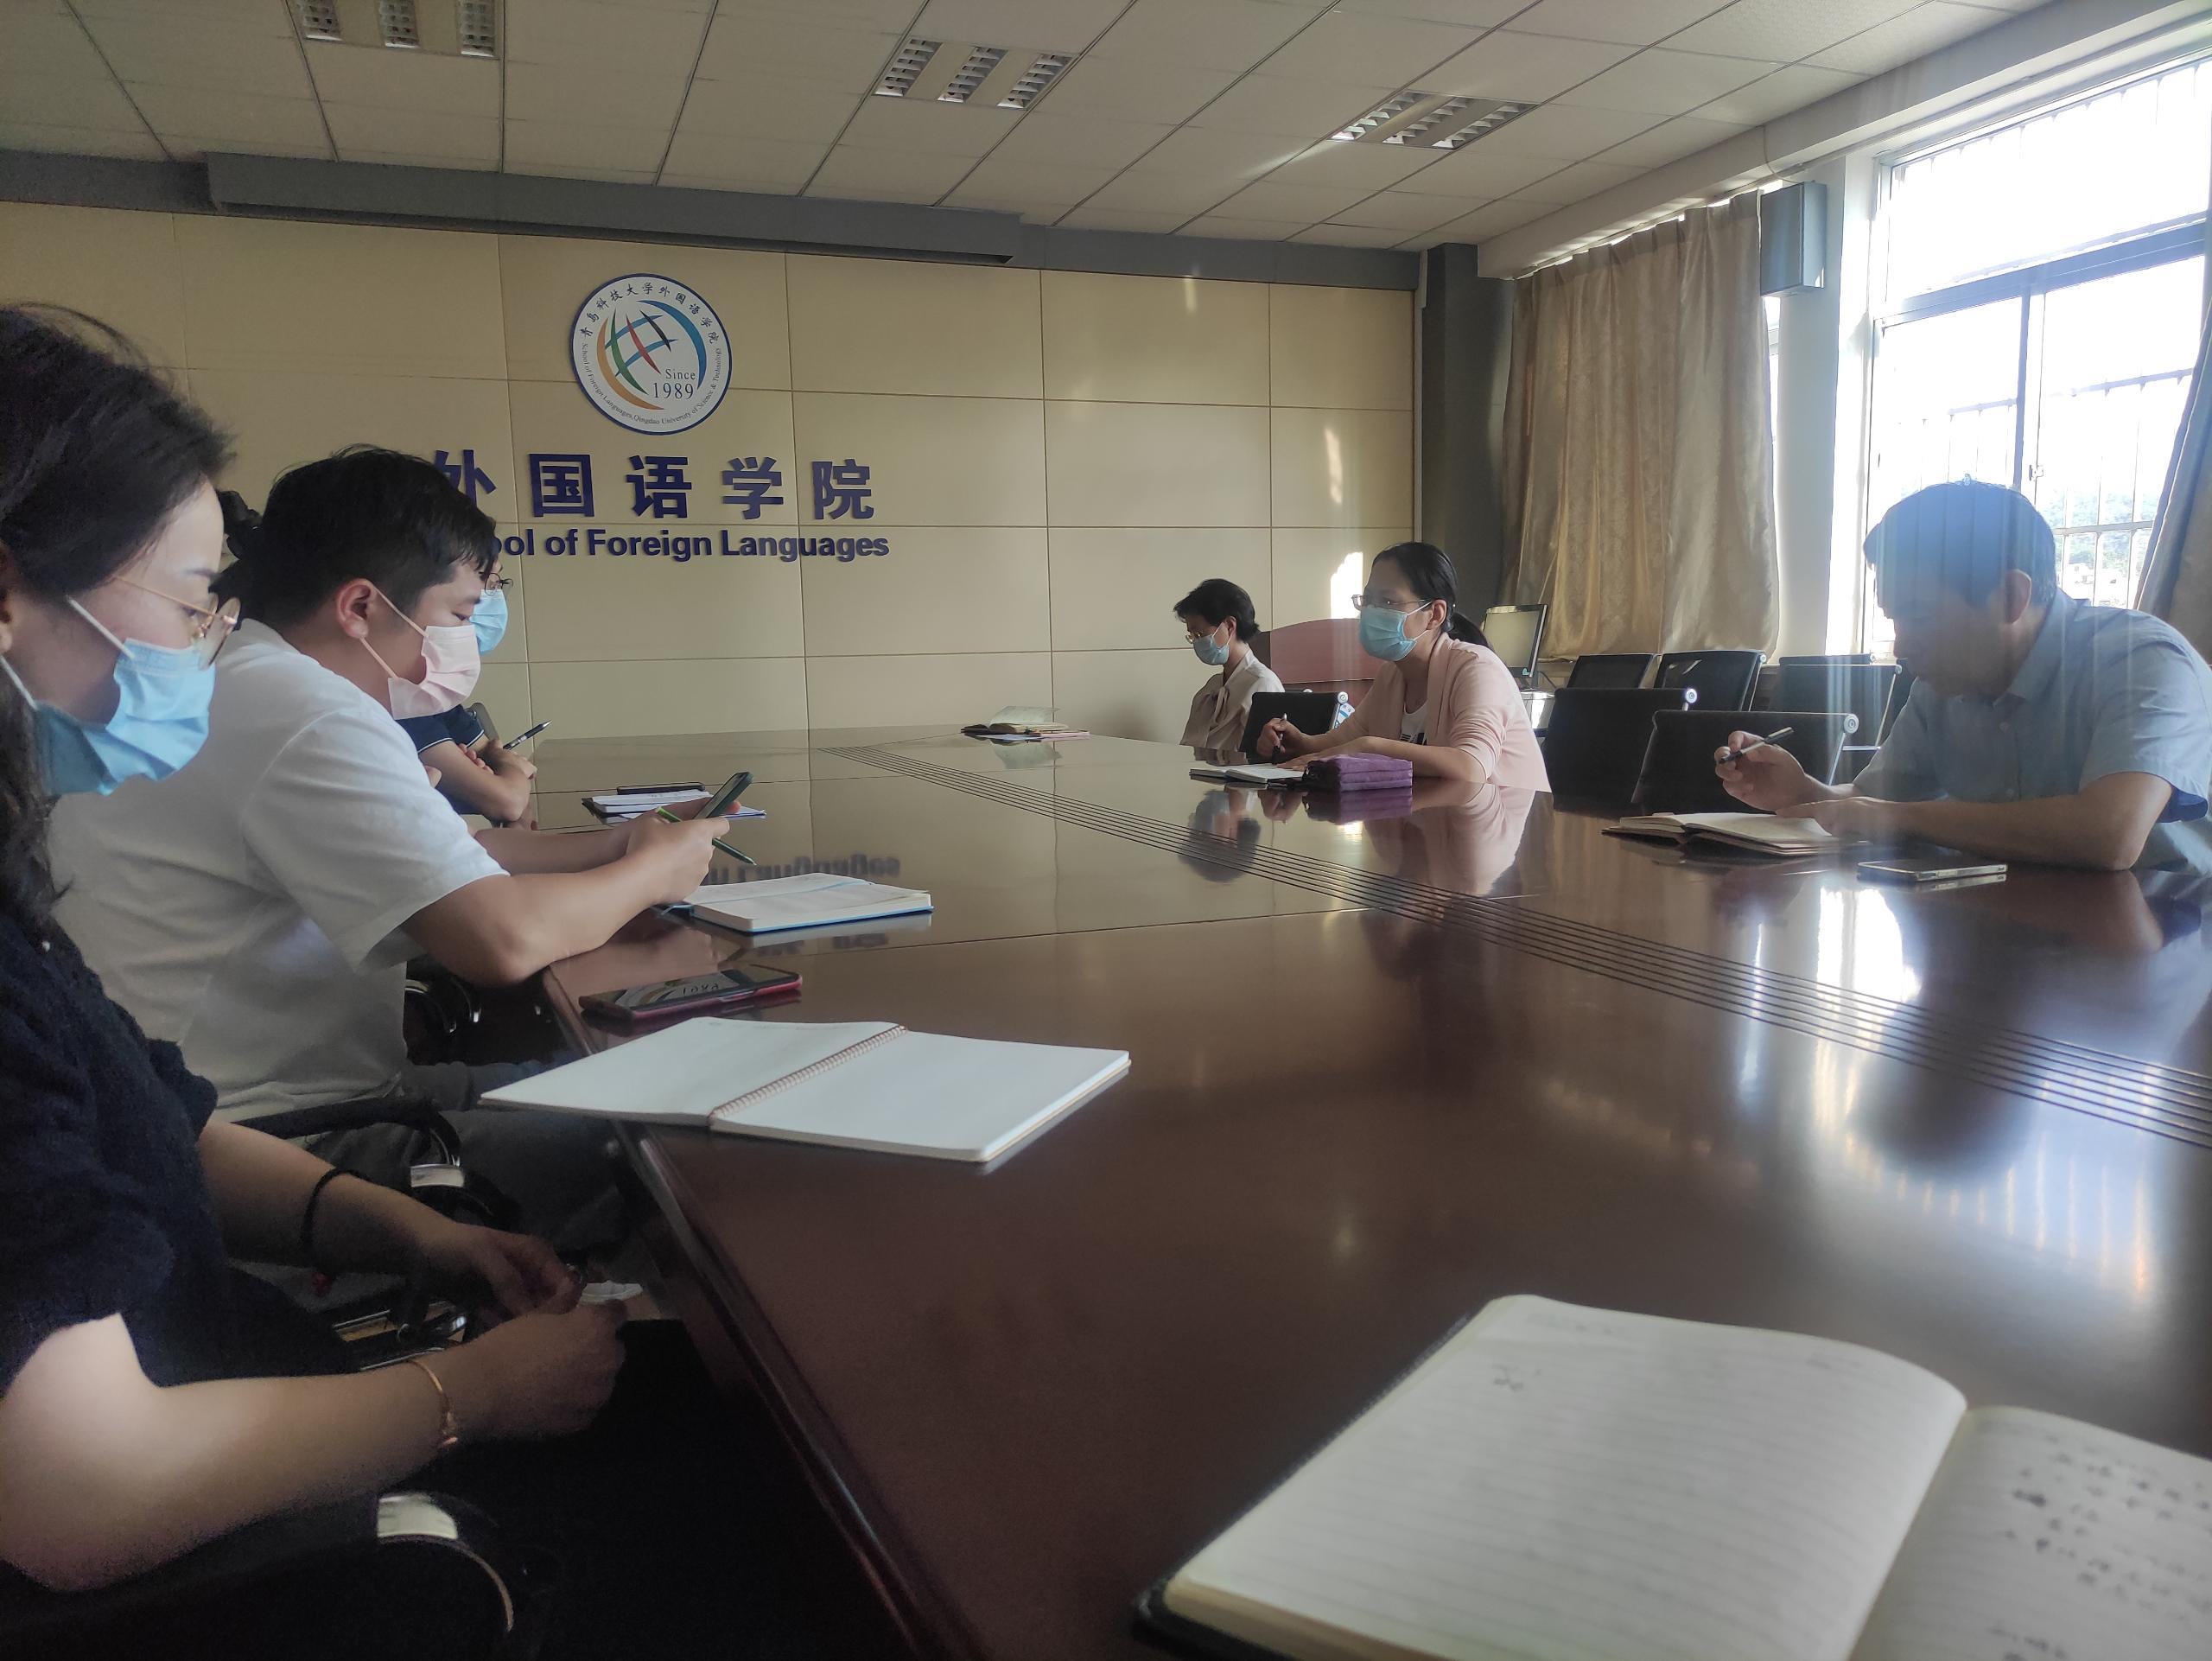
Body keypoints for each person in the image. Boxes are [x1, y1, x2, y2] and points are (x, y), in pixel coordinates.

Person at [51, 446, 728, 1245]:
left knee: (618, 1088)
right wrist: (653, 874)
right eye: (458, 615)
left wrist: (620, 845)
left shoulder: (252, 675)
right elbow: (500, 940)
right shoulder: (302, 709)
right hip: (261, 1150)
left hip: (276, 1103)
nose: (462, 642)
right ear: (362, 606)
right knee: (674, 1156)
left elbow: (454, 855)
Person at [1717, 480, 2212, 872]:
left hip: (2174, 935)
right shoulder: (1943, 683)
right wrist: (1805, 792)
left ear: (2011, 597)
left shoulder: (2142, 661)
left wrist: (1897, 818)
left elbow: (2109, 834)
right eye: (1894, 618)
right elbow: (1876, 802)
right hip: (2010, 924)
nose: (1903, 647)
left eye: (1919, 616)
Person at [1256, 541, 1550, 789]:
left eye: (1387, 602)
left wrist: (1370, 748)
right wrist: (1300, 743)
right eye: (1368, 600)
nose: (1371, 611)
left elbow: (1471, 767)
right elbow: (1344, 741)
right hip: (1432, 822)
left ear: (1434, 614)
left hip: (1502, 830)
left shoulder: (1476, 668)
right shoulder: (1392, 674)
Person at [396, 555, 536, 825]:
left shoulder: (434, 694)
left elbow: (492, 754)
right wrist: (504, 766)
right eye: (460, 615)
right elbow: (508, 801)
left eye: (497, 583)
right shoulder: (397, 703)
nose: (467, 624)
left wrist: (496, 764)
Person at [1177, 576, 1282, 754]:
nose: (1196, 641)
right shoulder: (1212, 686)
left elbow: (1263, 759)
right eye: (1192, 635)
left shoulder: (1263, 684)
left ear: (1229, 626)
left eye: (1200, 633)